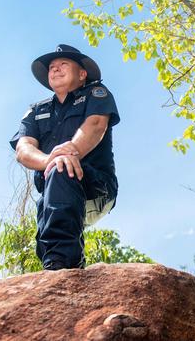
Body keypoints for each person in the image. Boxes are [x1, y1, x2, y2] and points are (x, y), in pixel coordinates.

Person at [10, 44, 119, 270]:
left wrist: (67, 154)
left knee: (62, 169)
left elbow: (96, 125)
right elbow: (23, 149)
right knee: (48, 204)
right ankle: (60, 264)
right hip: (54, 195)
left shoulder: (96, 93)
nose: (55, 69)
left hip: (96, 188)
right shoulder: (36, 110)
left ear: (82, 74)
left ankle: (62, 268)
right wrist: (50, 159)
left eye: (63, 64)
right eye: (52, 67)